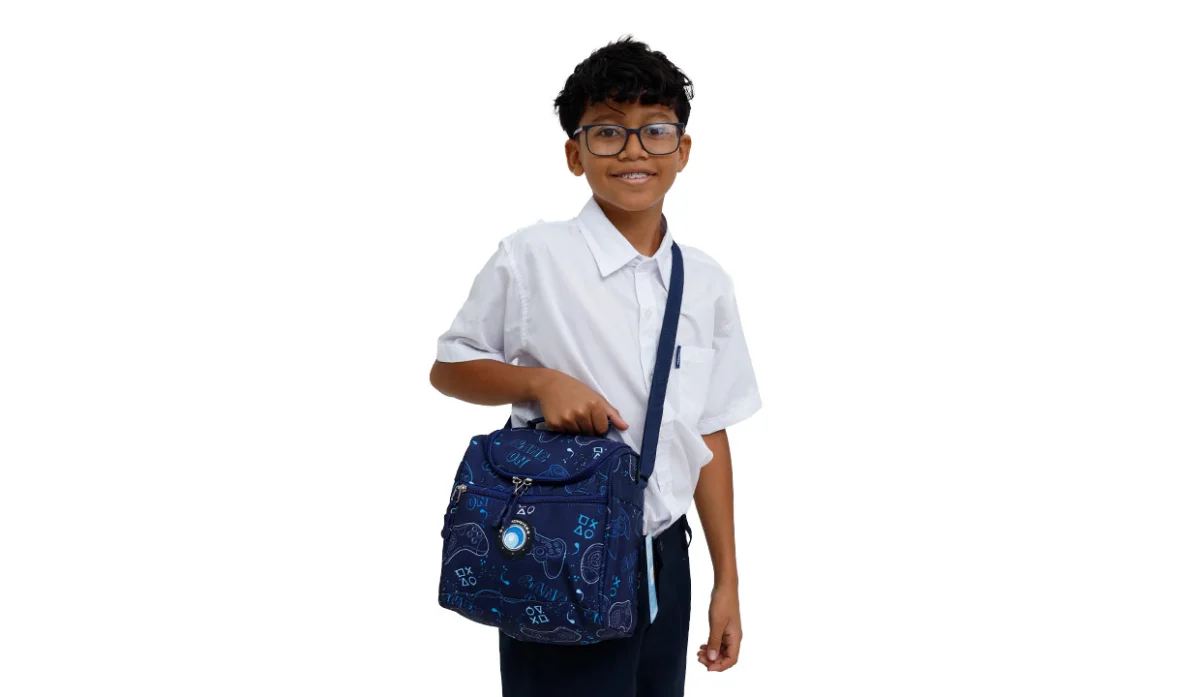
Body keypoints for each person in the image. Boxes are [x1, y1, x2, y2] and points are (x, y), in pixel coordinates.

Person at [429, 35, 762, 697]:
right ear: (574, 154)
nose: (633, 150)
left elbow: (709, 431)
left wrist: (726, 579)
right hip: (557, 549)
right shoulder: (533, 257)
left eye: (655, 130)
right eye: (607, 131)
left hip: (664, 557)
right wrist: (538, 382)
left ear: (683, 150)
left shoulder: (706, 283)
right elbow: (451, 364)